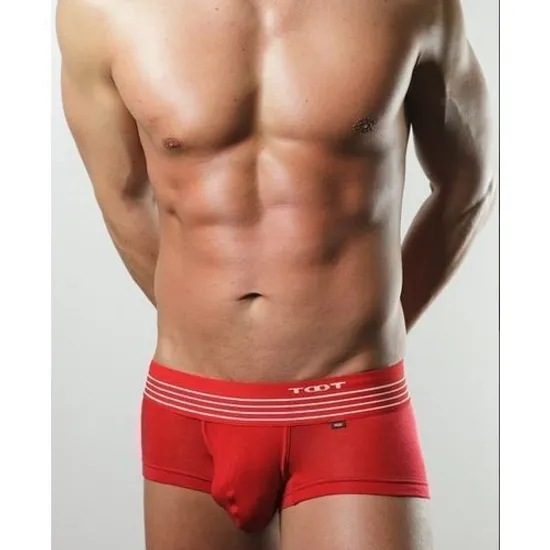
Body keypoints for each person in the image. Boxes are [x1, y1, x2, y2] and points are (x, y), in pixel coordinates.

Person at [56, 0, 494, 548]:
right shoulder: (101, 11)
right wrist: (220, 330)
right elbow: (122, 197)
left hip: (349, 403)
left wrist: (374, 328)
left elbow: (468, 185)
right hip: (193, 405)